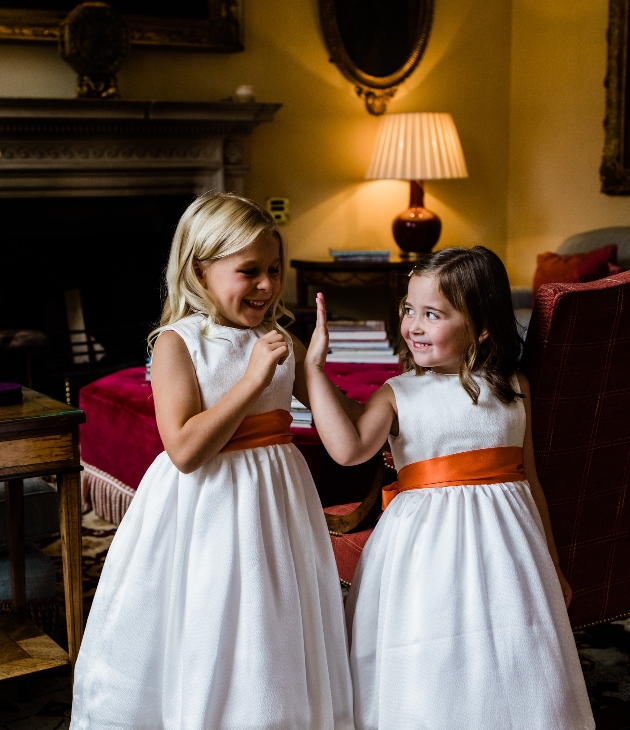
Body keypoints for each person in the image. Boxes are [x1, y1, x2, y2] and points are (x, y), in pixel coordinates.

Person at [71, 192, 356, 730]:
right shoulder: (178, 343)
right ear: (200, 271)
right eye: (249, 271)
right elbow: (183, 449)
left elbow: (340, 419)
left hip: (277, 500)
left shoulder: (279, 339)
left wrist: (315, 366)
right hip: (207, 506)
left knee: (273, 618)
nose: (268, 285)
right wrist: (251, 380)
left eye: (274, 269)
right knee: (213, 617)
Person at [304, 246, 594, 730]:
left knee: (511, 654)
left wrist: (554, 564)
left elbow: (531, 480)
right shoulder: (398, 393)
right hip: (423, 556)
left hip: (509, 559)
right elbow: (349, 449)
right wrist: (314, 370)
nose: (413, 325)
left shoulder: (514, 387)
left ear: (480, 326)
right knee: (428, 654)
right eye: (408, 310)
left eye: (432, 314)